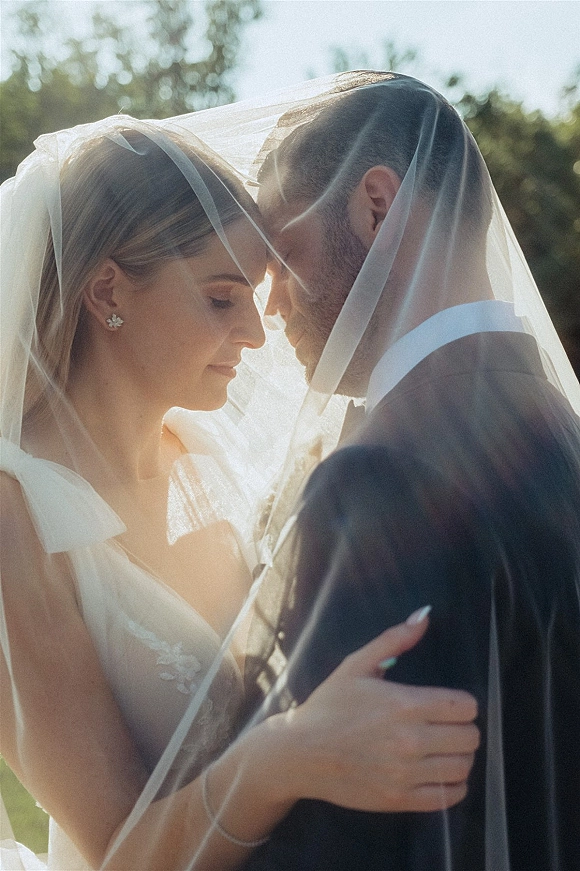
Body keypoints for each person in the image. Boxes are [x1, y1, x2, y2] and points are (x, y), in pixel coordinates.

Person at [0, 117, 480, 871]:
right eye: (222, 299)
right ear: (107, 291)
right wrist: (289, 753)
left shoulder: (207, 462)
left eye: (254, 296)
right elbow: (121, 855)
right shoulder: (16, 514)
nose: (258, 333)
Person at [235, 73, 580, 870]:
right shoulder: (559, 432)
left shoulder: (381, 478)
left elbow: (341, 839)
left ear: (377, 206)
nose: (272, 306)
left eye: (284, 254)